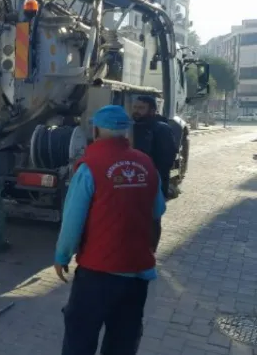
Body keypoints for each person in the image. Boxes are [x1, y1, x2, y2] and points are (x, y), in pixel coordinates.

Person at [55, 105, 166, 355]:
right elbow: (156, 213)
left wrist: (62, 256)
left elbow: (73, 220)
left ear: (95, 130)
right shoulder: (147, 164)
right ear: (126, 130)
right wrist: (148, 249)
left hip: (97, 274)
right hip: (137, 274)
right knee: (123, 341)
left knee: (80, 338)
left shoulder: (89, 167)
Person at [131, 95, 178, 197]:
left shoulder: (161, 129)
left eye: (141, 108)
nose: (136, 111)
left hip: (154, 182)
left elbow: (167, 160)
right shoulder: (130, 127)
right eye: (135, 107)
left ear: (152, 111)